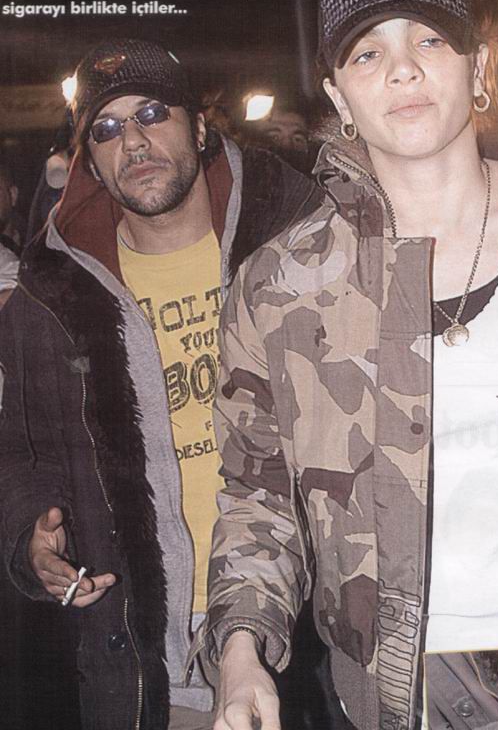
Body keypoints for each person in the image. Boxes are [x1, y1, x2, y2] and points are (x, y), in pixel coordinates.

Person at [201, 0, 498, 730]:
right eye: (367, 53)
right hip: (395, 695)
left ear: (479, 68)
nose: (402, 69)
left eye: (430, 39)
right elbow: (257, 498)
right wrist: (241, 649)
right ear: (338, 95)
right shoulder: (279, 289)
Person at [0, 38, 321, 730]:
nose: (134, 141)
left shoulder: (299, 243)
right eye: (107, 129)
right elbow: (23, 451)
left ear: (199, 128)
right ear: (90, 159)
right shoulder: (51, 298)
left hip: (311, 625)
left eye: (151, 113)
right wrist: (31, 539)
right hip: (157, 649)